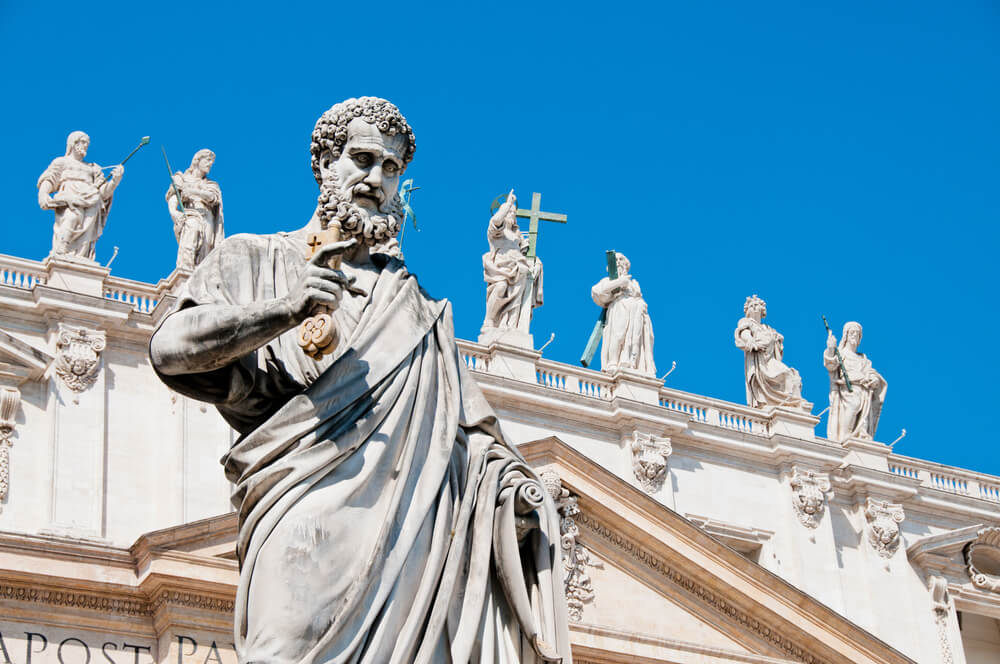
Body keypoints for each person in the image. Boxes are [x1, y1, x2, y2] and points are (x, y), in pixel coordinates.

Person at [149, 97, 569, 664]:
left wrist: (512, 495)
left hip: (410, 548)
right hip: (299, 519)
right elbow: (170, 348)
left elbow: (471, 438)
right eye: (363, 159)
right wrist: (282, 310)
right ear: (324, 163)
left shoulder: (418, 308)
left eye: (391, 169)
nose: (376, 179)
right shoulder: (256, 256)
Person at [37, 131, 123, 261]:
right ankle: (61, 250)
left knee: (86, 234)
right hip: (69, 198)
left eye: (87, 143)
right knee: (71, 218)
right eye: (83, 142)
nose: (86, 146)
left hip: (91, 201)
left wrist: (115, 181)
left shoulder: (94, 168)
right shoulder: (61, 162)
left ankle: (81, 259)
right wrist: (43, 194)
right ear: (73, 143)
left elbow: (103, 192)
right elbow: (50, 179)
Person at [481, 191, 543, 339]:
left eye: (513, 213)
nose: (511, 215)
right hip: (501, 270)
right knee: (501, 286)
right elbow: (496, 221)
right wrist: (507, 204)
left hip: (518, 270)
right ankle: (490, 319)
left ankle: (510, 325)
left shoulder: (517, 236)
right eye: (509, 212)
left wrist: (535, 262)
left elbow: (525, 254)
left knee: (517, 297)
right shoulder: (496, 232)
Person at [734, 295, 807, 409]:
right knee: (785, 374)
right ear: (747, 311)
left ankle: (791, 402)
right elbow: (743, 332)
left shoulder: (767, 328)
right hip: (759, 360)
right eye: (751, 306)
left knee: (789, 374)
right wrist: (750, 340)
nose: (754, 308)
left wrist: (777, 339)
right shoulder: (746, 321)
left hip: (770, 359)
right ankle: (787, 402)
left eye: (756, 305)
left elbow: (776, 344)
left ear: (762, 310)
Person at [590, 252, 655, 375]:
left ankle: (632, 363)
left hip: (637, 311)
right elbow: (596, 292)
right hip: (620, 308)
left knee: (635, 340)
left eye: (621, 259)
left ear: (626, 264)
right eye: (615, 260)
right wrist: (619, 282)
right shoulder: (608, 280)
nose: (618, 262)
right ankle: (613, 363)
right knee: (618, 335)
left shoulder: (634, 283)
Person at [824, 321, 887, 442]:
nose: (854, 335)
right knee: (854, 405)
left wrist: (874, 379)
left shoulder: (863, 358)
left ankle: (860, 434)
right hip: (849, 388)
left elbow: (871, 372)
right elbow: (831, 365)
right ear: (846, 335)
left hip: (864, 389)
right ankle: (845, 434)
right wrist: (831, 348)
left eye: (857, 334)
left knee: (864, 415)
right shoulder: (841, 353)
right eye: (852, 332)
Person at [166, 149, 224, 270]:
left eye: (211, 162)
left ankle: (201, 279)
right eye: (208, 160)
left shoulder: (211, 184)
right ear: (197, 160)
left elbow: (213, 197)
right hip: (190, 215)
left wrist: (192, 191)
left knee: (206, 250)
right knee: (191, 233)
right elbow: (174, 197)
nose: (210, 164)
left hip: (207, 218)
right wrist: (174, 212)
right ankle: (184, 273)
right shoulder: (181, 178)